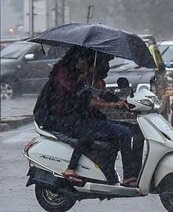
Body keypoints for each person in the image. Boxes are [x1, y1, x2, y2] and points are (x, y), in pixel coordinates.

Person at [33, 46, 141, 187]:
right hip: (58, 119)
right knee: (122, 133)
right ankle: (72, 168)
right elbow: (84, 97)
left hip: (73, 117)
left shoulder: (76, 75)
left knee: (130, 130)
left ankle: (107, 171)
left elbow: (96, 91)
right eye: (85, 60)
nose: (86, 63)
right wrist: (111, 104)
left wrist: (118, 100)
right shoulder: (64, 76)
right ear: (77, 60)